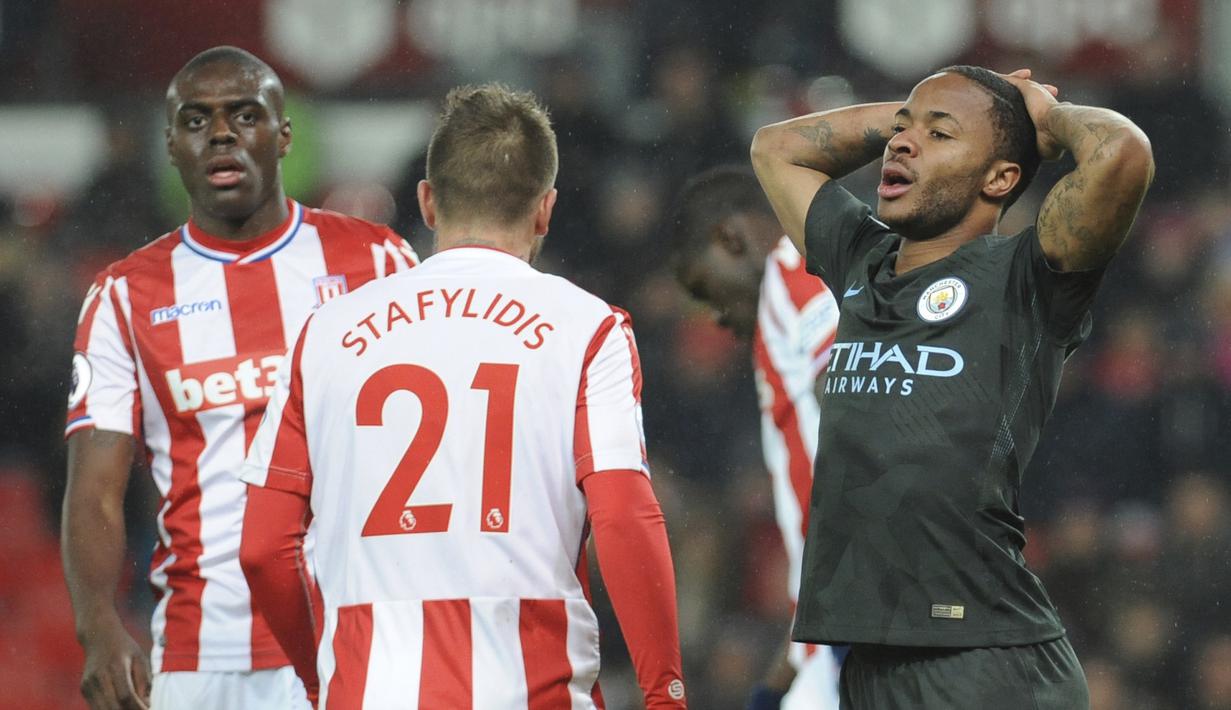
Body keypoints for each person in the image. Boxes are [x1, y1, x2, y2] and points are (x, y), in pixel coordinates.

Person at [238, 83, 687, 708]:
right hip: (530, 690)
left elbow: (262, 549)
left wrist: (320, 677)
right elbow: (623, 518)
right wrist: (665, 694)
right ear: (545, 211)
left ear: (426, 201)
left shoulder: (328, 333)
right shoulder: (588, 328)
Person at [750, 65, 1153, 708]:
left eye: (942, 136)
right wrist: (920, 115)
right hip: (871, 657)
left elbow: (1123, 155)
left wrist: (1040, 118)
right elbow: (777, 147)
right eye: (900, 133)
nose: (902, 145)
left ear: (1000, 178)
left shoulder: (1028, 276)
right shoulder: (861, 259)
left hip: (983, 660)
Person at [62, 46, 418, 710]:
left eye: (244, 114)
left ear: (283, 135)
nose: (221, 133)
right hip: (204, 655)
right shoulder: (124, 296)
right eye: (196, 120)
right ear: (170, 145)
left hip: (359, 635)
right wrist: (99, 625)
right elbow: (96, 492)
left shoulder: (376, 262)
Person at [669, 166, 840, 710]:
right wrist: (779, 681)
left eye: (706, 285)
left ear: (731, 237)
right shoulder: (784, 294)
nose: (716, 312)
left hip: (855, 609)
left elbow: (856, 398)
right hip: (830, 622)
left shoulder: (793, 274)